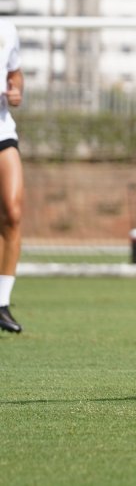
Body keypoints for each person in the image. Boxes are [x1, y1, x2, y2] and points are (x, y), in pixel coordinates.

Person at [0, 20, 25, 334]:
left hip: (2, 131)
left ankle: (1, 303)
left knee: (13, 212)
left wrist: (16, 89)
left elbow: (15, 72)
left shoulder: (6, 28)